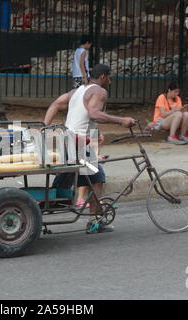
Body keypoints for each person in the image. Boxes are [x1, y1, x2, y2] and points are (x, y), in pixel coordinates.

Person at [44, 64, 136, 233]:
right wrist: (121, 120)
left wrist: (44, 128)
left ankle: (53, 202)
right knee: (97, 177)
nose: (111, 81)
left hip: (68, 141)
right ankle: (94, 222)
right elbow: (93, 113)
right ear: (102, 77)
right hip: (77, 143)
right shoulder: (100, 92)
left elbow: (56, 105)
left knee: (75, 178)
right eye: (109, 77)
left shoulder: (77, 91)